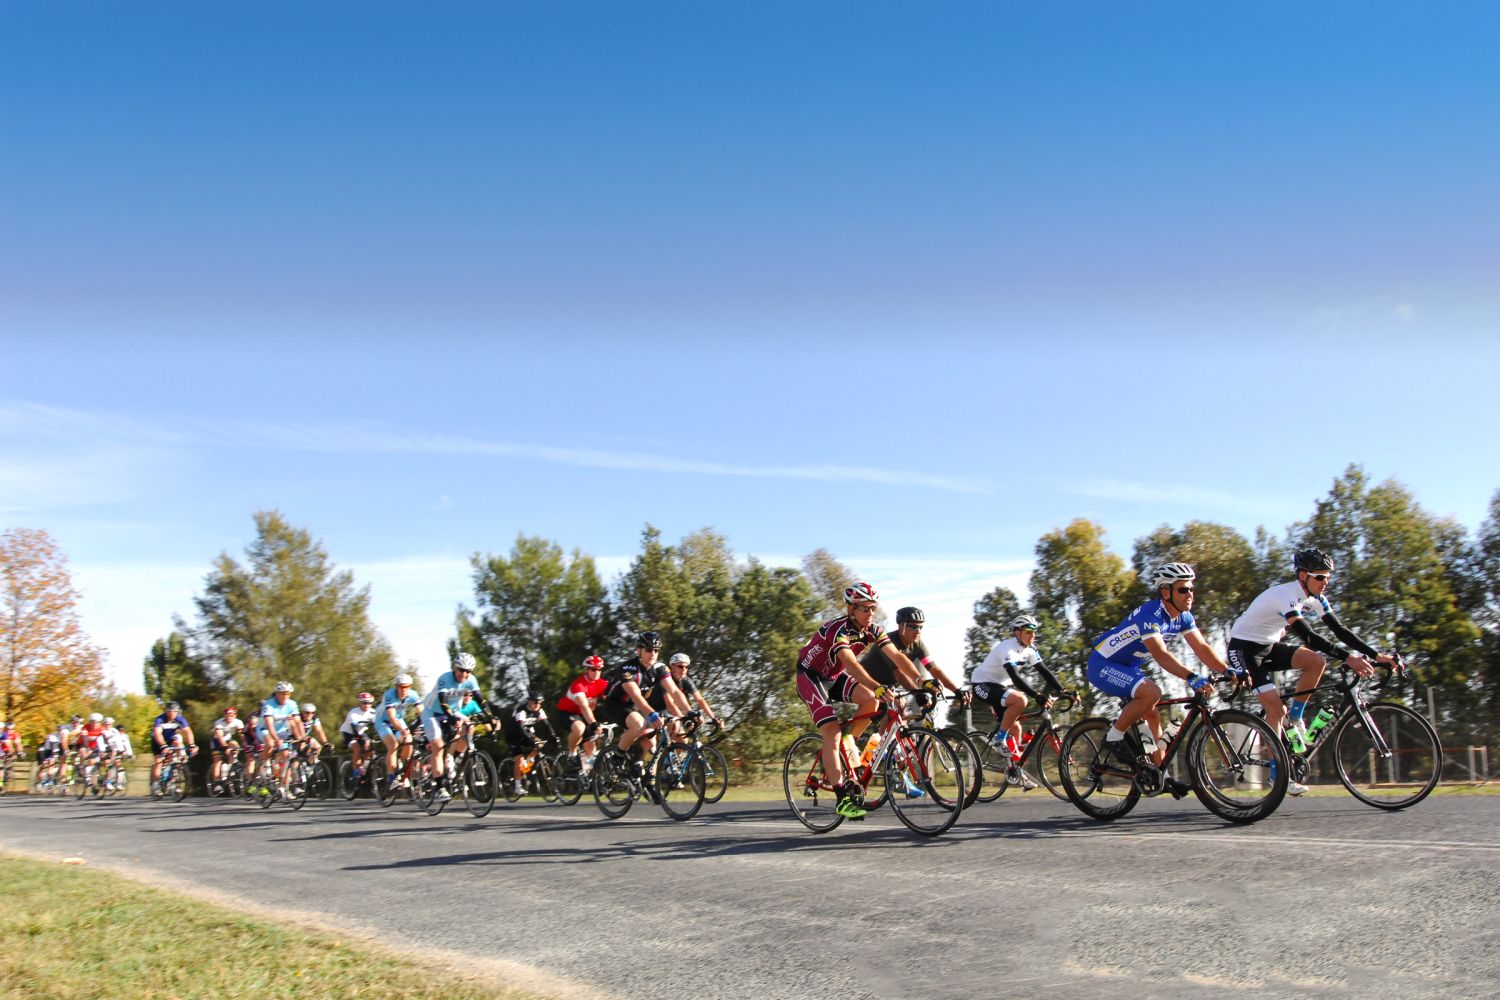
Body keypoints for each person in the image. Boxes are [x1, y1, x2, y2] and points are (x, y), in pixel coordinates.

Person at [1227, 548, 1395, 796]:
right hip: (1244, 650)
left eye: (1328, 577)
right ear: (1303, 575)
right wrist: (1348, 657)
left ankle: (1296, 718)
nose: (1325, 582)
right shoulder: (1285, 595)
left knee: (1316, 661)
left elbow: (1340, 630)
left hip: (1268, 645)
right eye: (1320, 577)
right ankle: (1277, 775)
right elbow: (1308, 636)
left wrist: (1376, 655)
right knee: (1276, 710)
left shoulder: (1316, 598)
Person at [1086, 563, 1236, 794]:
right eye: (1183, 590)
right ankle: (1113, 737)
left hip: (1127, 667)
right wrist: (1191, 677)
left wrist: (1227, 670)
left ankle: (1160, 777)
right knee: (1152, 693)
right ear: (1166, 592)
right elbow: (1161, 655)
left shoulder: (1183, 617)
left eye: (1191, 589)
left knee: (1153, 714)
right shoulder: (1150, 615)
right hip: (1103, 664)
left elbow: (1201, 647)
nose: (1190, 594)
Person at [796, 582, 920, 820]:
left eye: (873, 608)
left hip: (833, 677)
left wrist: (920, 683)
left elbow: (896, 656)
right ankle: (842, 799)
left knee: (871, 701)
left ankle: (848, 745)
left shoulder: (873, 629)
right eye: (865, 608)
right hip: (811, 677)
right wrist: (877, 686)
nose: (870, 613)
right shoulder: (837, 630)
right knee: (832, 732)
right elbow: (851, 664)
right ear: (851, 609)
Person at [970, 613, 1067, 758]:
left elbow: (1044, 671)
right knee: (1020, 700)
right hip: (982, 684)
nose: (1032, 635)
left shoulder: (1030, 649)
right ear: (1017, 631)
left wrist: (1063, 690)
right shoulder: (1007, 648)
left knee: (1016, 729)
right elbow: (1015, 678)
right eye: (1028, 631)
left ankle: (1014, 767)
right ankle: (999, 739)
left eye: (1034, 631)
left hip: (999, 686)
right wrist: (1037, 695)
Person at [860, 606, 968, 716]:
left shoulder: (918, 644)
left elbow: (934, 669)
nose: (918, 631)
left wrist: (956, 691)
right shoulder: (889, 642)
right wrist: (918, 695)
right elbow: (899, 675)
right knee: (887, 711)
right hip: (865, 683)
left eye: (921, 627)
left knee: (900, 712)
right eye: (913, 627)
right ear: (901, 626)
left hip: (888, 687)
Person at [599, 632, 675, 770]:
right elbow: (636, 696)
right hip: (616, 704)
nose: (653, 653)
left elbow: (675, 691)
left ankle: (642, 771)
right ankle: (617, 757)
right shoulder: (628, 669)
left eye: (656, 650)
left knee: (652, 742)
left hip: (636, 706)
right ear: (638, 650)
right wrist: (652, 713)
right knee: (638, 723)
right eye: (649, 649)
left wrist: (690, 711)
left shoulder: (660, 668)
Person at [420, 652, 485, 803]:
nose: (465, 674)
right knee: (438, 746)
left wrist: (491, 717)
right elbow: (443, 703)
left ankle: (451, 760)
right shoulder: (445, 678)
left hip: (453, 711)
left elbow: (480, 700)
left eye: (468, 671)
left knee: (468, 725)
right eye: (461, 670)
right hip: (432, 713)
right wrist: (453, 718)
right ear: (455, 668)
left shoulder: (471, 680)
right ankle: (439, 788)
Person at [555, 655, 608, 762]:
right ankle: (572, 754)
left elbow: (610, 699)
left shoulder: (602, 683)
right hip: (567, 712)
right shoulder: (578, 685)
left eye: (599, 669)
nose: (597, 672)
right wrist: (594, 723)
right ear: (586, 670)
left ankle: (590, 767)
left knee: (591, 749)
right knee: (579, 728)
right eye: (593, 669)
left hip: (585, 715)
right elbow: (584, 706)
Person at [376, 673, 423, 794]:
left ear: (410, 687)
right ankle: (391, 778)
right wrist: (402, 730)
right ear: (396, 687)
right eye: (401, 687)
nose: (404, 689)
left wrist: (423, 724)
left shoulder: (413, 694)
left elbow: (421, 712)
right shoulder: (389, 695)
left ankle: (401, 765)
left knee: (409, 741)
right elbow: (391, 717)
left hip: (399, 720)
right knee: (393, 744)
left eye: (406, 687)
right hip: (383, 721)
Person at [504, 692, 556, 797]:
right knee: (519, 758)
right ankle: (518, 787)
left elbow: (547, 725)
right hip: (513, 735)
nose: (538, 705)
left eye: (540, 703)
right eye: (536, 702)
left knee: (539, 744)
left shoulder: (539, 711)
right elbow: (520, 728)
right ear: (530, 702)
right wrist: (531, 741)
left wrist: (554, 737)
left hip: (526, 732)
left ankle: (527, 763)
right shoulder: (522, 710)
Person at [257, 682, 305, 797]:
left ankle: (284, 787)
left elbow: (298, 722)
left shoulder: (292, 704)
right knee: (270, 743)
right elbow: (269, 724)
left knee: (286, 757)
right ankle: (266, 764)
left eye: (288, 694)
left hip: (282, 732)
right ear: (277, 694)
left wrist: (302, 738)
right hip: (265, 729)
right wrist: (276, 738)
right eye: (283, 694)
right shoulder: (269, 705)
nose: (285, 696)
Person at [653, 653, 722, 729]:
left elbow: (700, 700)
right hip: (653, 710)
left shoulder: (686, 680)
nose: (684, 669)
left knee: (682, 734)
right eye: (680, 666)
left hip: (667, 711)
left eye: (686, 667)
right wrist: (684, 720)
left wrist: (714, 718)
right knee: (676, 728)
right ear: (672, 666)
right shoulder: (665, 679)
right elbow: (670, 705)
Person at [151, 702, 197, 787]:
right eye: (170, 711)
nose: (172, 714)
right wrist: (163, 746)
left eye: (175, 711)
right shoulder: (160, 719)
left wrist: (192, 745)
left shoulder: (180, 719)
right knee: (159, 763)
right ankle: (155, 785)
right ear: (166, 711)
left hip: (170, 739)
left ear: (177, 712)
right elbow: (157, 733)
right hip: (157, 740)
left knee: (178, 743)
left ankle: (178, 762)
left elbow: (188, 732)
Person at [338, 692, 378, 779]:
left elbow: (378, 724)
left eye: (369, 703)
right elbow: (354, 728)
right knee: (357, 748)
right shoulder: (354, 713)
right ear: (360, 703)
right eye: (364, 703)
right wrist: (363, 739)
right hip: (348, 733)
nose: (366, 705)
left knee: (370, 750)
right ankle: (355, 770)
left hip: (360, 732)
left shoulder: (373, 712)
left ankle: (363, 768)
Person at [209, 707, 245, 788]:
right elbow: (220, 737)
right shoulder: (219, 722)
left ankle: (230, 767)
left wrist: (245, 743)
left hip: (228, 739)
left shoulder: (238, 722)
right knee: (217, 761)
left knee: (235, 745)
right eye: (227, 715)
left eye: (231, 715)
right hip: (216, 740)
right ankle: (216, 784)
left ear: (235, 716)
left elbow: (241, 734)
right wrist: (226, 748)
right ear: (224, 715)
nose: (229, 717)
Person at [297, 702, 330, 769]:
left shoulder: (314, 719)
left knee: (318, 747)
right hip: (296, 737)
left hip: (306, 738)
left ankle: (309, 766)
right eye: (307, 713)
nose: (310, 715)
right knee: (299, 751)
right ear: (302, 712)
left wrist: (325, 742)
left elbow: (319, 730)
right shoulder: (298, 718)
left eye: (312, 713)